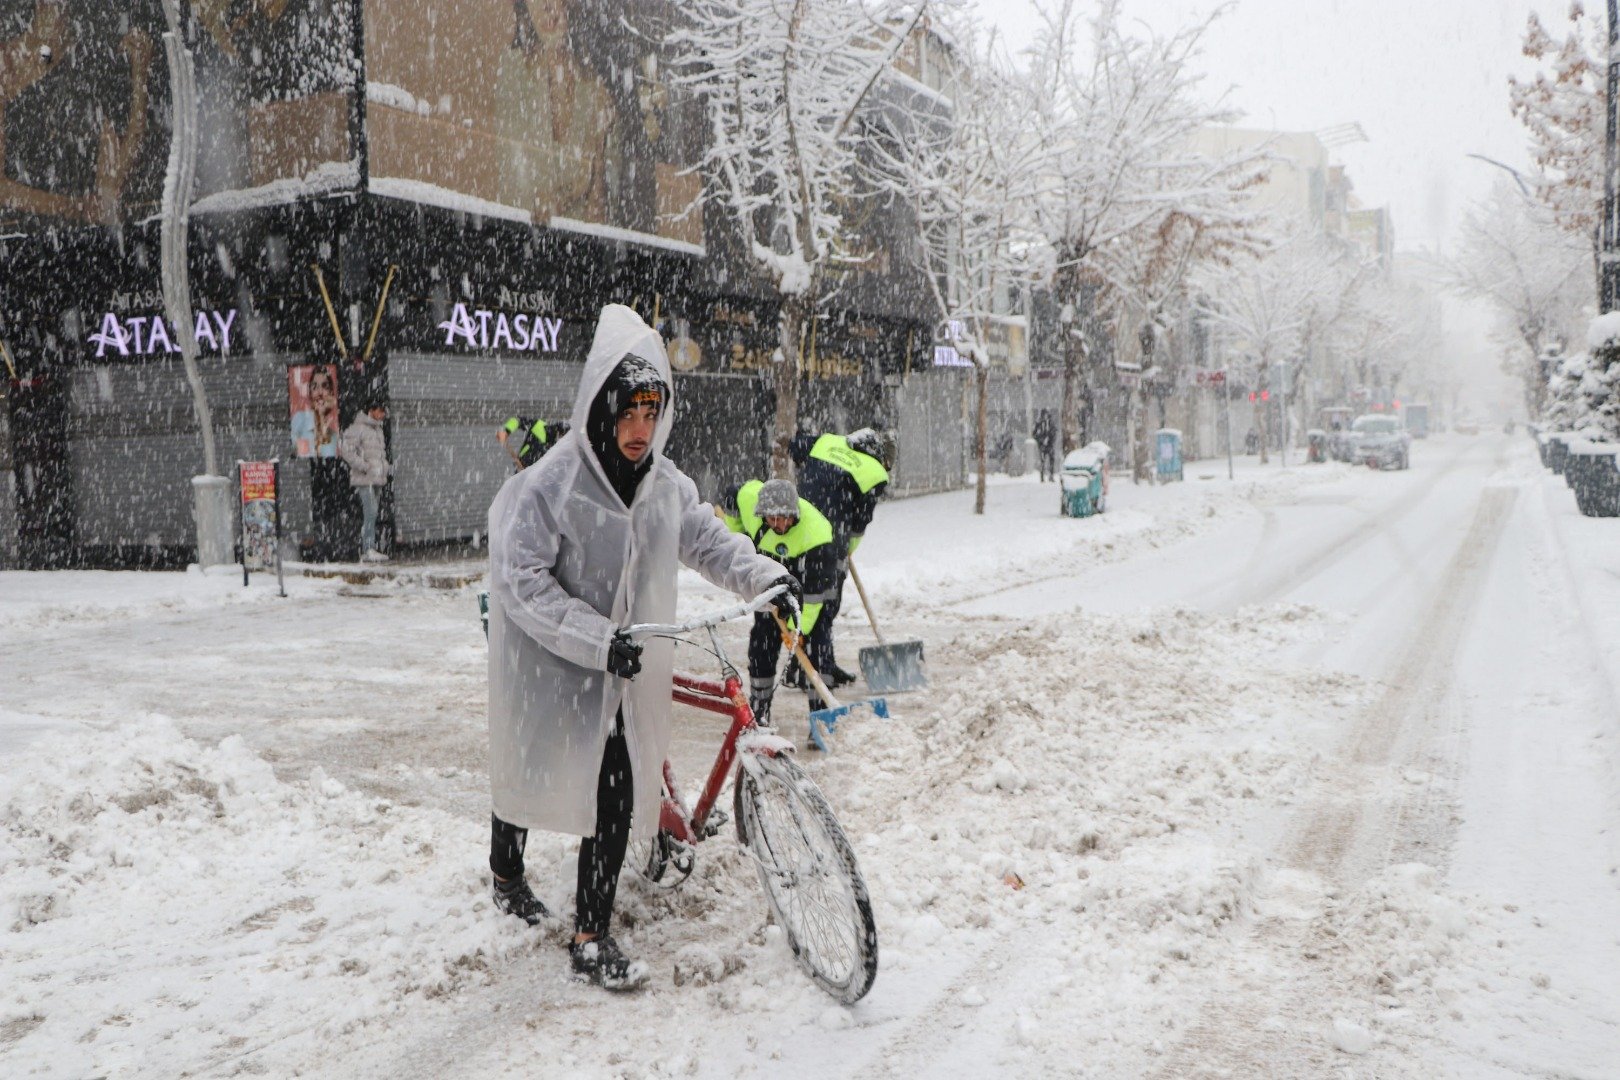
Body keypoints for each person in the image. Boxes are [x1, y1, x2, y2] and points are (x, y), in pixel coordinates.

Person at [485, 304, 796, 992]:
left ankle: (590, 934)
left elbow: (709, 541)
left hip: (625, 658)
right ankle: (506, 867)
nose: (639, 431)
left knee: (616, 785)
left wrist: (767, 577)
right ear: (600, 406)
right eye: (628, 412)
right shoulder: (553, 484)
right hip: (550, 650)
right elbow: (521, 578)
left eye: (652, 413)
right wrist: (595, 637)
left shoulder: (665, 485)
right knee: (531, 754)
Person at [717, 478, 840, 727]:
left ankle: (821, 716)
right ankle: (760, 710)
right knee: (761, 646)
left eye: (783, 518)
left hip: (810, 579)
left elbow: (815, 598)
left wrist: (798, 630)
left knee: (818, 648)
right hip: (773, 577)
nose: (777, 524)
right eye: (771, 518)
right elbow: (737, 494)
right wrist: (738, 532)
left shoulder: (817, 535)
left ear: (794, 514)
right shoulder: (753, 506)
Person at [787, 428, 891, 687]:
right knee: (825, 604)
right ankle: (812, 671)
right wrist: (848, 549)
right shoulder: (873, 472)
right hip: (829, 541)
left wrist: (814, 476)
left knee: (806, 601)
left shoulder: (825, 442)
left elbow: (795, 446)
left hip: (798, 530)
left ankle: (816, 665)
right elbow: (860, 521)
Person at [340, 399, 391, 562]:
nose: (383, 415)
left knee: (373, 513)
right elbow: (346, 451)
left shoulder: (377, 430)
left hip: (376, 478)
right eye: (381, 411)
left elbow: (379, 454)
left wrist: (383, 467)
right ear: (372, 410)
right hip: (365, 479)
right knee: (371, 512)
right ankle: (367, 548)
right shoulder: (358, 429)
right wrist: (364, 466)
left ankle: (371, 548)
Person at [497, 414, 570, 471]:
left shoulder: (557, 446)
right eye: (563, 436)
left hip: (538, 478)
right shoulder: (538, 425)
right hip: (522, 469)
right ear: (559, 432)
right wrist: (506, 431)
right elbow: (517, 420)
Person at [1033, 409, 1057, 482]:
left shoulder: (1050, 423)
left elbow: (1054, 432)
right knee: (1042, 461)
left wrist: (1051, 440)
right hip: (1042, 445)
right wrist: (1041, 441)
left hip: (1050, 444)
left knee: (1051, 460)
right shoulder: (1039, 423)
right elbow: (1034, 434)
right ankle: (1042, 476)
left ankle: (1051, 475)